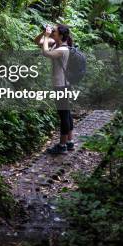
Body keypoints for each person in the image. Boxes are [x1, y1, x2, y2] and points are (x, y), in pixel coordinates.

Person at [34, 23, 74, 154]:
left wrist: (46, 36)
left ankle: (62, 145)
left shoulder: (62, 50)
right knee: (66, 113)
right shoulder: (57, 44)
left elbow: (45, 52)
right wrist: (44, 33)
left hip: (61, 86)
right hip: (64, 85)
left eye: (55, 32)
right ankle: (69, 142)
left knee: (63, 115)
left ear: (61, 35)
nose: (53, 33)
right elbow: (37, 41)